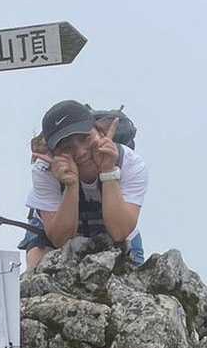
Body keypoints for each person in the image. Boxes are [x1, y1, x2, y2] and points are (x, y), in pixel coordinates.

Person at [20, 100, 148, 269]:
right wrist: (71, 186)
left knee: (133, 276)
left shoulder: (129, 163)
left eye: (85, 138)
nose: (80, 152)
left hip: (114, 227)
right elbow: (60, 239)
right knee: (39, 275)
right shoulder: (45, 170)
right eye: (67, 147)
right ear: (52, 153)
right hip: (52, 229)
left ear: (99, 131)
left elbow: (119, 232)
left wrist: (108, 172)